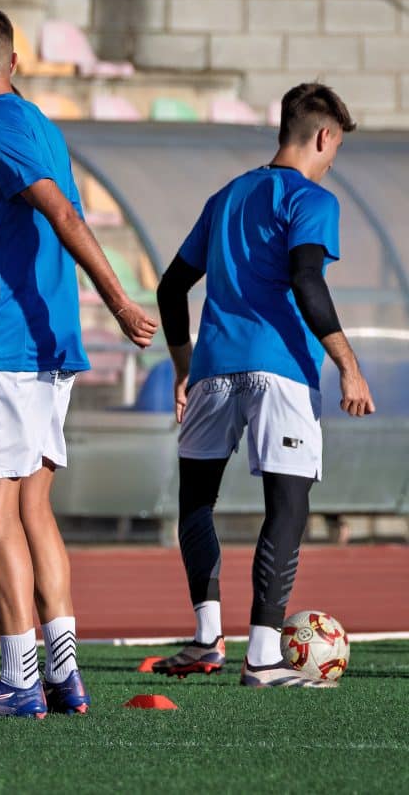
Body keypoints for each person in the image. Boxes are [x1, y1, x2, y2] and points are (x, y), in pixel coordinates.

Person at [0, 7, 157, 718]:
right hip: (46, 344)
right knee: (31, 506)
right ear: (15, 62)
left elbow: (62, 216)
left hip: (7, 346)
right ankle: (63, 672)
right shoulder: (39, 124)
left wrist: (122, 302)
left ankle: (18, 677)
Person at [152, 83, 374, 688]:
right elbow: (306, 280)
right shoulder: (312, 198)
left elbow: (172, 289)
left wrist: (181, 367)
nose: (333, 162)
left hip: (213, 369)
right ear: (324, 136)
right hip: (280, 370)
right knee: (288, 504)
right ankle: (262, 655)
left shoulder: (226, 196)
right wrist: (348, 364)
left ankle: (205, 639)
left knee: (196, 502)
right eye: (335, 149)